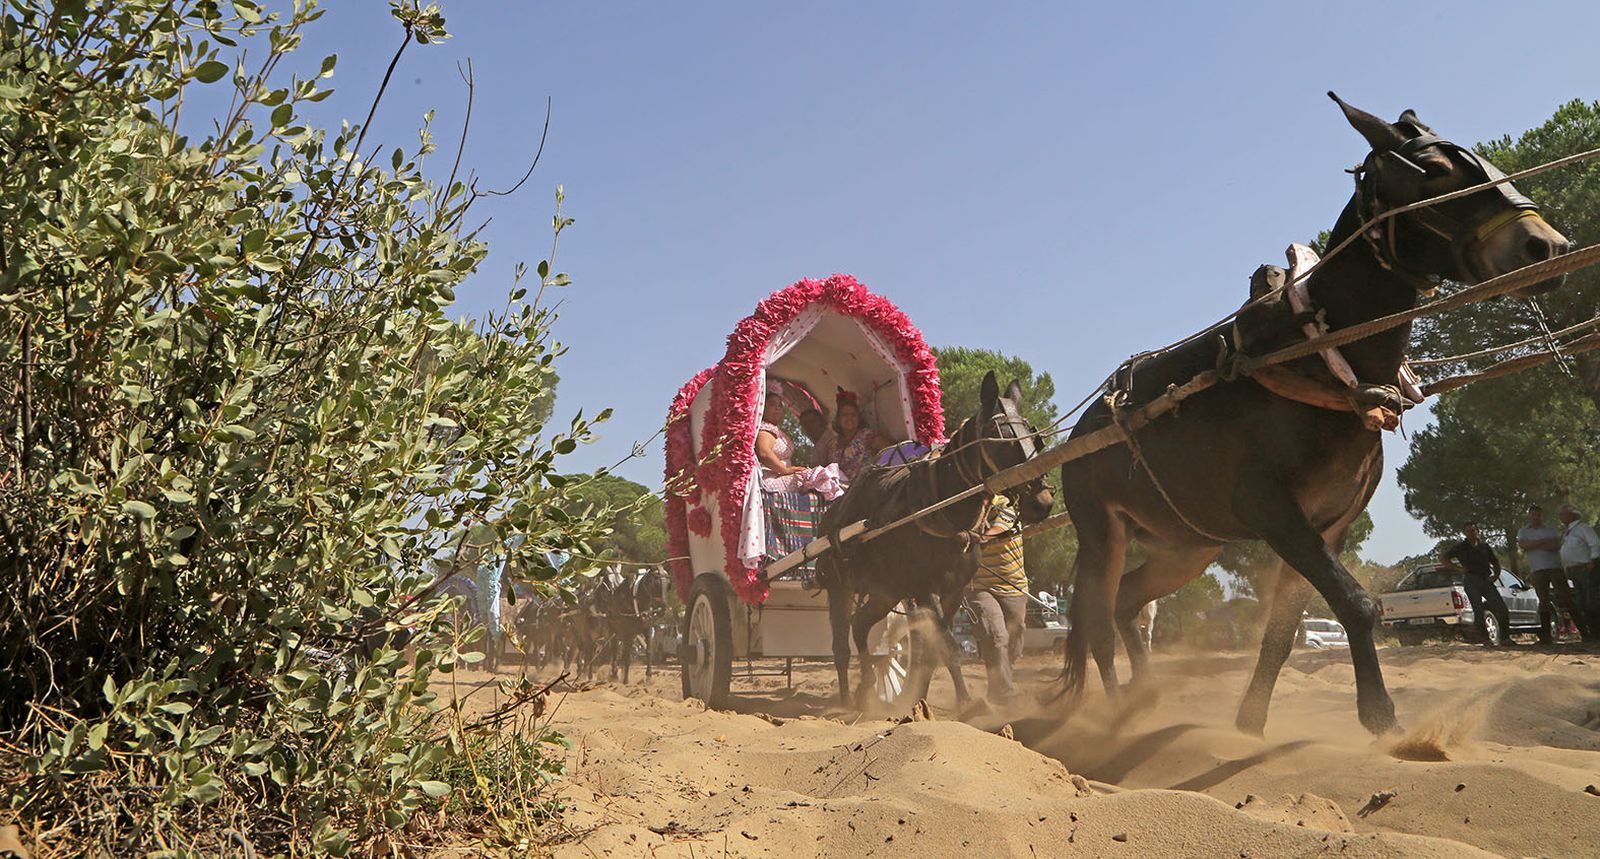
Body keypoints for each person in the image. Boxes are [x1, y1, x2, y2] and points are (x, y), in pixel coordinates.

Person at [969, 495, 1028, 705]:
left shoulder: (1006, 504)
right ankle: (1005, 696)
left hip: (1013, 586)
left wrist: (976, 538)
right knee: (996, 635)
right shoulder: (966, 509)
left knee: (1015, 637)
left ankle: (997, 688)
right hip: (979, 587)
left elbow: (1000, 528)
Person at [755, 392, 844, 498]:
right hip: (771, 478)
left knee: (826, 475)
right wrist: (785, 470)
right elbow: (764, 453)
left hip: (779, 475)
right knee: (814, 476)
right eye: (772, 404)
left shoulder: (774, 429)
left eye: (780, 405)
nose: (777, 408)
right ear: (762, 407)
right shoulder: (765, 429)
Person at [1519, 503, 1584, 642]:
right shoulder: (1524, 531)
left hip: (1554, 567)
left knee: (1566, 598)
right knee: (1543, 601)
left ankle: (1584, 631)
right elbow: (1523, 545)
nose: (1536, 517)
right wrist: (1542, 543)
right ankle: (1546, 637)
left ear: (1541, 516)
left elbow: (1554, 545)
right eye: (1533, 515)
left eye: (1538, 515)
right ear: (1529, 516)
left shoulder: (1550, 529)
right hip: (1537, 570)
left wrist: (1534, 544)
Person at [1441, 521, 1512, 645]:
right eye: (1468, 531)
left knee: (1501, 608)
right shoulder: (1461, 547)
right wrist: (1458, 569)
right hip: (1471, 580)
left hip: (1486, 579)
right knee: (1478, 611)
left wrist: (1495, 575)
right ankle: (1485, 639)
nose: (1471, 533)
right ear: (1464, 533)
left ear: (1477, 531)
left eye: (1473, 530)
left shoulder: (1484, 546)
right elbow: (1444, 559)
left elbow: (1495, 562)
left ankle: (1505, 638)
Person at [1558, 503, 1600, 642]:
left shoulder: (1583, 528)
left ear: (1570, 515)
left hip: (1586, 568)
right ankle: (1593, 633)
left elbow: (1594, 543)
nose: (1560, 517)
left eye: (1562, 514)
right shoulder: (1569, 531)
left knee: (1591, 601)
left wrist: (1593, 561)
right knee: (1582, 603)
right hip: (1574, 570)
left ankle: (1597, 632)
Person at [823, 389, 883, 481]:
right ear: (838, 419)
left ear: (858, 418)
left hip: (865, 485)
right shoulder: (832, 444)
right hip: (842, 490)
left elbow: (890, 449)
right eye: (845, 415)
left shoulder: (867, 435)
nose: (849, 418)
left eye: (853, 414)